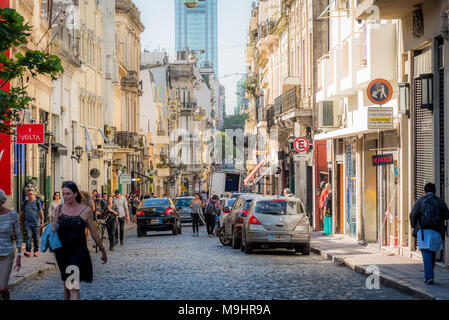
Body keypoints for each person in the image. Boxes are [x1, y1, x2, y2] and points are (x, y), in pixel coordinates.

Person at [51, 181, 107, 300]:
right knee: (67, 285)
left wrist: (102, 249)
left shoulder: (85, 211)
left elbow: (93, 232)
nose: (65, 197)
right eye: (63, 194)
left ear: (75, 194)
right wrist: (54, 226)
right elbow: (53, 228)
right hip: (62, 252)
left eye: (68, 194)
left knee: (73, 287)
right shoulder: (59, 209)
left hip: (77, 252)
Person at [410, 183, 449, 285]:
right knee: (432, 251)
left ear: (424, 191)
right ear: (435, 191)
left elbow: (413, 214)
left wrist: (414, 226)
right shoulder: (439, 201)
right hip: (436, 230)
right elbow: (447, 214)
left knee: (426, 252)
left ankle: (429, 276)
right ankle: (430, 271)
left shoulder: (420, 201)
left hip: (423, 231)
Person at [0, 190, 22, 300]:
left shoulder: (11, 214)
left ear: (1, 201)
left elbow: (18, 235)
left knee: (2, 287)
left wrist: (19, 256)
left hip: (7, 254)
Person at [20, 189, 44, 257]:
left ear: (34, 195)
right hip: (27, 223)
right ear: (27, 195)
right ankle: (28, 251)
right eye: (28, 194)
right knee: (28, 237)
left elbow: (41, 213)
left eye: (31, 194)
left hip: (36, 223)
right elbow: (21, 214)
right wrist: (21, 223)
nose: (30, 196)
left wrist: (42, 222)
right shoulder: (24, 203)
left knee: (36, 237)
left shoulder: (37, 202)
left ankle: (36, 251)